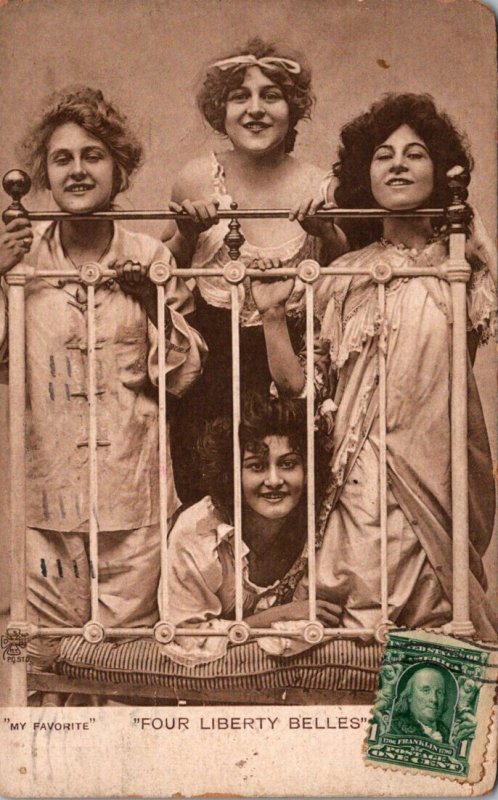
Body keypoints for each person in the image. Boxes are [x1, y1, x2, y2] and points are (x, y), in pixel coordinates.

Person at [252, 93, 497, 637]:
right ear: (366, 174)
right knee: (356, 629)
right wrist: (271, 315)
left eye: (415, 154)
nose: (399, 164)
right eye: (384, 155)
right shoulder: (344, 274)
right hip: (360, 479)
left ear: (439, 170)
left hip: (438, 470)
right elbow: (300, 388)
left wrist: (472, 234)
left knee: (438, 627)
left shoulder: (461, 269)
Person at [0, 86, 206, 673]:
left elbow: (185, 378)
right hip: (47, 502)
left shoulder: (147, 253)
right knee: (43, 661)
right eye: (62, 159)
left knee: (130, 665)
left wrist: (153, 299)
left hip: (132, 494)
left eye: (93, 155)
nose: (78, 170)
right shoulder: (21, 260)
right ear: (43, 173)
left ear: (119, 169)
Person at [163, 38, 346, 502]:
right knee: (205, 511)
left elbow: (348, 277)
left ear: (293, 108)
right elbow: (162, 270)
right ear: (220, 112)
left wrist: (326, 232)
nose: (255, 109)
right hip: (209, 383)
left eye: (271, 95)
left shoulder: (321, 185)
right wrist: (186, 234)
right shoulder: (197, 177)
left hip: (290, 382)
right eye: (240, 96)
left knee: (289, 514)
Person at [160, 394, 340, 666]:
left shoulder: (319, 525)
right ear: (232, 473)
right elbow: (187, 637)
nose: (274, 480)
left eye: (288, 464)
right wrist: (281, 615)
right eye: (256, 466)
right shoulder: (199, 531)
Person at [389, 667, 451, 742]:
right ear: (410, 695)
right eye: (426, 690)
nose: (434, 699)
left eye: (439, 692)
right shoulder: (393, 728)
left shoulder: (448, 734)